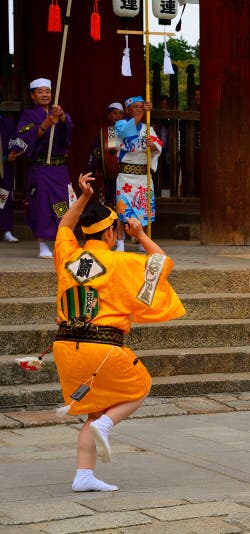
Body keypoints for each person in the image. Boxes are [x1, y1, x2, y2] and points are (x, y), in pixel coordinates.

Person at [52, 172, 184, 492]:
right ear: (111, 233)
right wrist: (139, 235)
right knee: (140, 385)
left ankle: (84, 475)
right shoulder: (119, 262)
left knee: (92, 410)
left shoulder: (67, 256)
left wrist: (82, 196)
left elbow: (64, 226)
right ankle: (107, 425)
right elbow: (162, 263)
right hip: (103, 346)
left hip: (66, 347)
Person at [16, 78, 73, 258]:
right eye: (39, 92)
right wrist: (45, 125)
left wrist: (62, 118)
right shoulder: (28, 115)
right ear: (33, 96)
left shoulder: (57, 112)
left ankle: (61, 241)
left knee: (61, 205)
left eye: (47, 91)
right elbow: (24, 138)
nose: (44, 94)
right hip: (40, 168)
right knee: (41, 205)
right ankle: (42, 244)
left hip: (58, 169)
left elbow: (68, 134)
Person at [115, 96, 162, 251]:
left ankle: (144, 241)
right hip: (126, 177)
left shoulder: (149, 128)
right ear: (128, 110)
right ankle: (120, 243)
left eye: (141, 106)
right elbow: (125, 135)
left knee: (145, 209)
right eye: (135, 107)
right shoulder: (120, 124)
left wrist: (153, 146)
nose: (139, 109)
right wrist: (144, 113)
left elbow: (158, 147)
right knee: (122, 209)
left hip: (143, 176)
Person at [89, 103, 125, 250]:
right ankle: (109, 235)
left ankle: (127, 235)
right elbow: (101, 152)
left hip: (125, 176)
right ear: (109, 115)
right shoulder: (107, 132)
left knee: (124, 206)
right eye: (115, 113)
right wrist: (96, 167)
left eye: (120, 114)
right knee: (108, 204)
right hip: (108, 175)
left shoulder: (127, 131)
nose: (118, 116)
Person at [1, 98, 22, 243]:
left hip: (3, 165)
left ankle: (7, 230)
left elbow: (15, 141)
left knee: (4, 197)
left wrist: (12, 153)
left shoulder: (6, 122)